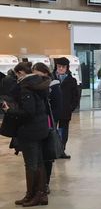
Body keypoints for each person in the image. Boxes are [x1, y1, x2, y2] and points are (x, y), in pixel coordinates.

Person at [1, 62, 50, 207]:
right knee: (39, 162)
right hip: (40, 128)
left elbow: (29, 112)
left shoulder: (26, 87)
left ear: (21, 73)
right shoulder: (39, 84)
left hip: (30, 130)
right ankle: (39, 194)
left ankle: (33, 195)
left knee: (31, 164)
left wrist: (8, 110)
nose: (16, 78)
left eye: (16, 75)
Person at [32, 63, 62, 195]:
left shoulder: (53, 85)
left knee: (47, 156)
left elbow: (57, 106)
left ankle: (45, 183)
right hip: (35, 126)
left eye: (38, 73)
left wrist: (52, 121)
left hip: (48, 125)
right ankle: (37, 184)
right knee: (36, 156)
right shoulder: (32, 86)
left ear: (45, 72)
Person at [52, 57, 79, 159]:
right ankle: (52, 150)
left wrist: (71, 107)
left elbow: (76, 96)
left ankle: (61, 150)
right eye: (59, 66)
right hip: (53, 111)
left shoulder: (71, 80)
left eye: (63, 67)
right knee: (52, 130)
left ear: (67, 68)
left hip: (65, 111)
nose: (61, 68)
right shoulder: (51, 78)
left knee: (63, 131)